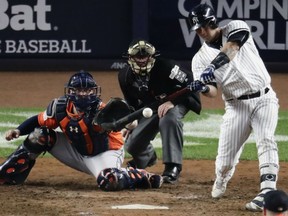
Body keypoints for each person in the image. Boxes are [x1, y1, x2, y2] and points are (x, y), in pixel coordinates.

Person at [0, 70, 163, 191]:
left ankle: (139, 175)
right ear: (70, 91)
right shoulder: (60, 108)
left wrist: (129, 123)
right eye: (79, 90)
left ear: (94, 91)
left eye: (87, 90)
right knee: (39, 135)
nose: (83, 94)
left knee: (110, 180)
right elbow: (37, 120)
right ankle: (7, 173)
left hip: (105, 152)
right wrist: (19, 130)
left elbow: (125, 122)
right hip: (76, 151)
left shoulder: (103, 110)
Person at [187, 3, 279, 211]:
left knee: (266, 139)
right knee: (225, 161)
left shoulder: (236, 27)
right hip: (236, 107)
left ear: (213, 22)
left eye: (204, 27)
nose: (201, 32)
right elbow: (212, 92)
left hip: (264, 98)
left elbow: (233, 48)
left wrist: (213, 66)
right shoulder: (198, 59)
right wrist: (202, 87)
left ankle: (267, 190)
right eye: (197, 29)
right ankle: (221, 178)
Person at [118, 39, 201, 184]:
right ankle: (147, 157)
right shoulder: (125, 76)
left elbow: (191, 83)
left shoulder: (167, 66)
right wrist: (132, 120)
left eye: (145, 56)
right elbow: (132, 103)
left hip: (180, 100)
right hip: (152, 106)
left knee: (169, 118)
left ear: (152, 56)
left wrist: (173, 102)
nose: (142, 60)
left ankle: (173, 166)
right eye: (138, 57)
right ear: (130, 58)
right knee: (132, 144)